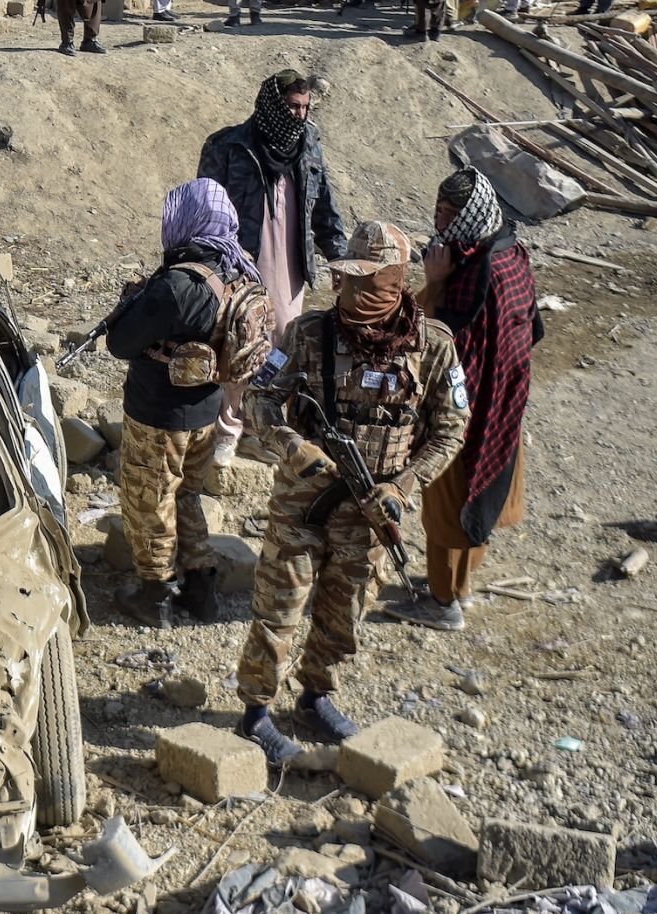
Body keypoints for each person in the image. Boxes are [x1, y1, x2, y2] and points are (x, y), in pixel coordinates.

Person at [235, 221, 469, 763]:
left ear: (397, 284)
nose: (353, 295)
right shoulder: (307, 335)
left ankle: (316, 698)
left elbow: (450, 428)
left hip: (369, 512)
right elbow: (260, 400)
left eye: (370, 285)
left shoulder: (432, 348)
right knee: (279, 607)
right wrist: (295, 448)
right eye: (347, 281)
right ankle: (255, 712)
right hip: (302, 501)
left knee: (344, 613)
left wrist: (404, 485)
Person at [386, 168, 538, 632]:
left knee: (447, 499)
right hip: (504, 397)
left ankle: (440, 603)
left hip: (466, 403)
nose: (439, 220)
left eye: (449, 213)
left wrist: (433, 281)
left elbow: (437, 337)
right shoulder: (510, 250)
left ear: (471, 214)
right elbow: (534, 326)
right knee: (480, 488)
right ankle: (462, 587)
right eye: (438, 209)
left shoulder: (475, 269)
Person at [105, 179, 255, 628]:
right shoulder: (239, 269)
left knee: (149, 500)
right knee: (187, 496)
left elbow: (121, 342)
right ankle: (200, 586)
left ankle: (153, 595)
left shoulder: (178, 284)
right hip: (208, 410)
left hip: (159, 413)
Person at [198, 70, 348, 468]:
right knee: (238, 344)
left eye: (304, 108)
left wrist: (340, 257)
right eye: (292, 107)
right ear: (273, 106)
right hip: (241, 263)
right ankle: (228, 430)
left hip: (290, 262)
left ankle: (258, 427)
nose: (299, 116)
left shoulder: (308, 144)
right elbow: (206, 209)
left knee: (280, 347)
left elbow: (324, 203)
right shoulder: (228, 146)